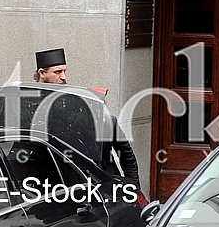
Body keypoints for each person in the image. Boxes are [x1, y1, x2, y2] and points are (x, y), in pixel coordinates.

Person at [33, 48, 140, 185]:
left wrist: (134, 188)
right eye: (58, 72)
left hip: (107, 188)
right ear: (42, 73)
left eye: (65, 71)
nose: (64, 77)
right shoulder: (33, 114)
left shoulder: (106, 122)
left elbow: (127, 157)